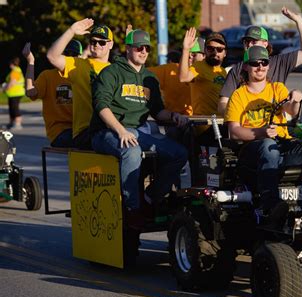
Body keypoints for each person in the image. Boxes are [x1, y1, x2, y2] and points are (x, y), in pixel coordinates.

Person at [90, 29, 188, 229]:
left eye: (147, 48)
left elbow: (158, 111)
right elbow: (101, 106)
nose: (143, 52)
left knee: (179, 153)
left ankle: (150, 197)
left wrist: (173, 115)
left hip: (136, 132)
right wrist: (121, 130)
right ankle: (132, 208)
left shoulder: (149, 78)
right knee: (131, 151)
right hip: (106, 132)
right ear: (128, 49)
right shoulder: (111, 72)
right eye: (138, 48)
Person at [225, 46, 302, 229]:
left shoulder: (276, 88)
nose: (260, 67)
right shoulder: (239, 95)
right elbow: (233, 131)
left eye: (264, 62)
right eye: (255, 63)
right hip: (251, 149)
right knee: (268, 146)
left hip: (281, 144)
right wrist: (260, 132)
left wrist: (295, 100)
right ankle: (270, 205)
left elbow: (291, 112)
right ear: (246, 67)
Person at [218, 6, 302, 115]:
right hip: (247, 126)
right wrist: (243, 116)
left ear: (265, 44)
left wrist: (299, 21)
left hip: (275, 125)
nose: (249, 45)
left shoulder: (279, 64)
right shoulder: (237, 70)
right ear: (246, 67)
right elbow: (223, 103)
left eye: (254, 42)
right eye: (247, 41)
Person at [47, 18, 113, 149]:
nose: (97, 45)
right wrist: (71, 31)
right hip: (86, 132)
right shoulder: (78, 65)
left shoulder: (115, 69)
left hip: (109, 128)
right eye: (93, 41)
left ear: (111, 44)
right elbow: (52, 57)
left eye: (102, 42)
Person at [22, 40, 83, 147]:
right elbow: (30, 92)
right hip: (59, 132)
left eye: (74, 55)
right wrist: (31, 61)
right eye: (67, 54)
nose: (70, 58)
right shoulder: (47, 76)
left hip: (80, 129)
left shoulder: (83, 75)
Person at [179, 28, 227, 144]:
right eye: (211, 48)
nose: (215, 52)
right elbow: (183, 77)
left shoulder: (223, 72)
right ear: (205, 51)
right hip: (205, 127)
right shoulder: (199, 66)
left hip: (222, 124)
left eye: (219, 49)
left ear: (225, 53)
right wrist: (186, 49)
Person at [2, 57, 25, 130]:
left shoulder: (15, 72)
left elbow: (12, 82)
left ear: (12, 64)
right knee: (12, 108)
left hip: (16, 93)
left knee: (15, 108)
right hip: (13, 93)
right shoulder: (17, 71)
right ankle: (11, 123)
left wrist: (4, 89)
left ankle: (18, 124)